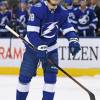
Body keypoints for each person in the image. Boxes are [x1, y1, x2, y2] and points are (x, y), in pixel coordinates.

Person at [16, 0, 81, 100]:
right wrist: (40, 46)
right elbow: (32, 33)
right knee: (24, 78)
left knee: (51, 79)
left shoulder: (63, 12)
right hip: (33, 48)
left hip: (51, 49)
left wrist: (73, 40)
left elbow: (68, 28)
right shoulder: (37, 9)